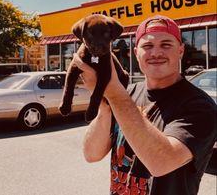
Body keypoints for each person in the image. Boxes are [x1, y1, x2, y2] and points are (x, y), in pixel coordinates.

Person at [73, 15, 217, 195]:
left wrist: (112, 92)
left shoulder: (200, 106)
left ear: (180, 51)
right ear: (135, 53)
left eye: (166, 45)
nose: (156, 53)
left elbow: (161, 162)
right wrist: (104, 103)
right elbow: (91, 154)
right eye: (147, 46)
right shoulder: (127, 93)